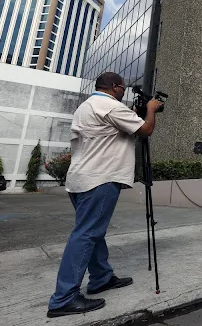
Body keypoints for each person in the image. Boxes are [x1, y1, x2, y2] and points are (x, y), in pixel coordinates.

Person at [47, 72, 164, 318]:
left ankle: (101, 278)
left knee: (92, 232)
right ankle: (63, 298)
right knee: (87, 234)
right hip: (100, 179)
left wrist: (133, 111)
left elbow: (116, 130)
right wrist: (151, 109)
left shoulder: (88, 106)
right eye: (122, 88)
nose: (124, 91)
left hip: (81, 179)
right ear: (114, 87)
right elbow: (146, 130)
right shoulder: (110, 106)